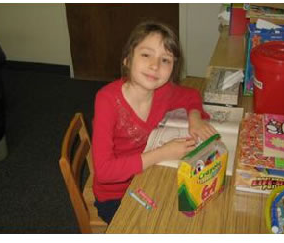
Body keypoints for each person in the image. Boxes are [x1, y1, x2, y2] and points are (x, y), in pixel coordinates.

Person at [91, 21, 217, 224]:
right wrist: (163, 153)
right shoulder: (107, 100)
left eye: (165, 60)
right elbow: (104, 172)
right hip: (116, 195)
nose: (155, 65)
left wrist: (195, 119)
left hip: (147, 174)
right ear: (127, 59)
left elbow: (190, 95)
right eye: (146, 54)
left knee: (200, 210)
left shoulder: (162, 91)